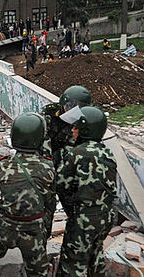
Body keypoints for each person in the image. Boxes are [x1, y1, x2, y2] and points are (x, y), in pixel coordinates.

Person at [0, 113, 55, 276]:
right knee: (37, 271)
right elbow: (50, 200)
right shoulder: (47, 167)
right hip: (33, 230)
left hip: (6, 227)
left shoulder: (4, 165)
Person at [56, 106, 116, 277]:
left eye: (76, 127)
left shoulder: (76, 153)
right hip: (106, 216)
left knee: (71, 264)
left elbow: (59, 183)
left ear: (85, 129)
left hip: (84, 219)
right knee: (96, 256)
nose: (73, 130)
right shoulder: (107, 152)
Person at [40, 86, 92, 218]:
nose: (72, 110)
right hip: (48, 158)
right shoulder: (50, 113)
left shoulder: (83, 117)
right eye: (70, 106)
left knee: (70, 202)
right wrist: (48, 162)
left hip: (67, 161)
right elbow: (43, 137)